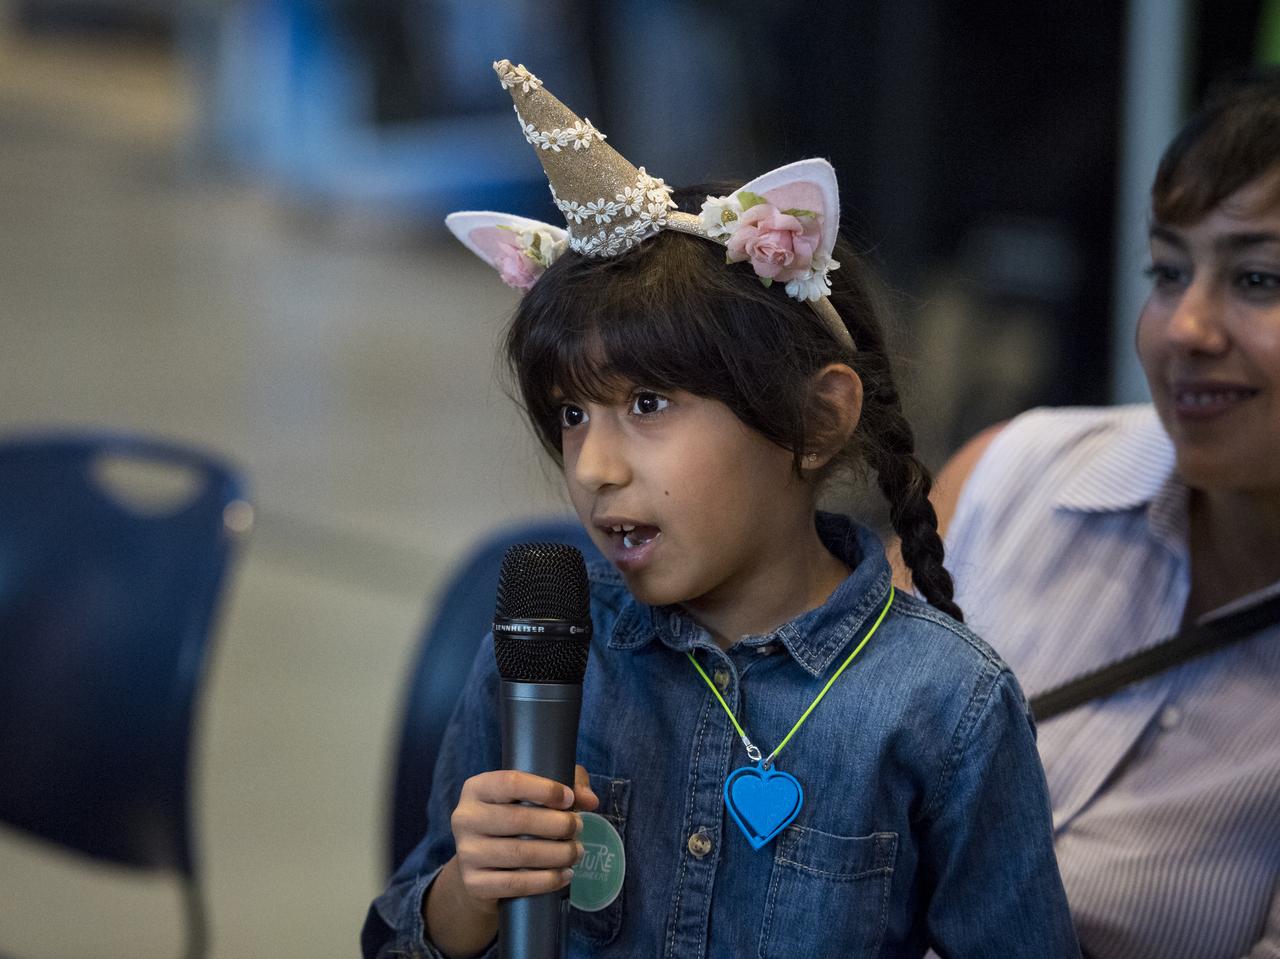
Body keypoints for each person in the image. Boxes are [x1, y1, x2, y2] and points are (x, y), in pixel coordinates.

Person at [363, 59, 1079, 958]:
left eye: (649, 406)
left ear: (817, 420)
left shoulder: (946, 707)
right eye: (571, 414)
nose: (593, 465)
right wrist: (469, 893)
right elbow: (397, 935)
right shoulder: (545, 657)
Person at [916, 71, 1280, 959]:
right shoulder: (1011, 473)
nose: (1185, 327)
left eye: (1258, 277)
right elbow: (805, 768)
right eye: (1167, 271)